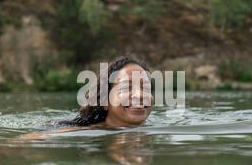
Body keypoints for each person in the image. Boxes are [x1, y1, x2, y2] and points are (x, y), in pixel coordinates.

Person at [19, 56, 153, 140]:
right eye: (126, 87)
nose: (140, 95)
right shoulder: (83, 131)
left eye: (146, 88)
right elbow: (25, 140)